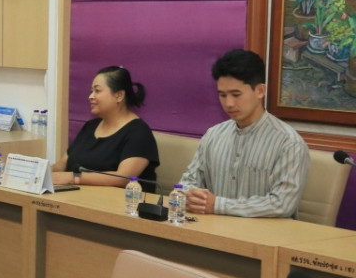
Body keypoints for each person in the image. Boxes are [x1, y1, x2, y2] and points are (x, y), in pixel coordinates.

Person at [180, 49, 309, 218]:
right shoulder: (213, 135)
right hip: (213, 230)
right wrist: (190, 195)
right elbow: (186, 183)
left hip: (264, 233)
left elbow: (282, 204)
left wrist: (217, 205)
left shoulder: (289, 143)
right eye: (222, 95)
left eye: (236, 94)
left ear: (260, 91)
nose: (229, 103)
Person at [51, 66, 159, 189]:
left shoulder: (139, 133)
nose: (91, 96)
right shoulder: (90, 126)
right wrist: (49, 171)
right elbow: (64, 162)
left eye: (97, 91)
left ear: (119, 95)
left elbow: (123, 178)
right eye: (91, 91)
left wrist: (74, 178)